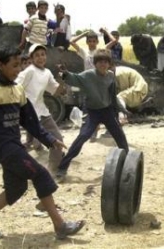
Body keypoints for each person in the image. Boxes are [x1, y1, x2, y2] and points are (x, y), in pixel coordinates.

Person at [0, 46, 85, 239]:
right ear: (0, 65)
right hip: (2, 148)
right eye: (14, 65)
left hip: (14, 145)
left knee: (17, 188)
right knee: (41, 175)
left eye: (19, 65)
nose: (18, 70)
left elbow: (31, 122)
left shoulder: (17, 90)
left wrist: (51, 140)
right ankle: (60, 225)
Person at [55, 49, 129, 182]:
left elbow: (112, 96)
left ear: (109, 64)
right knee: (83, 136)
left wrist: (121, 110)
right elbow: (73, 78)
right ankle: (62, 168)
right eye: (100, 62)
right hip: (92, 112)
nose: (103, 64)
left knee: (120, 136)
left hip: (107, 111)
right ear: (95, 64)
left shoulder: (111, 76)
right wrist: (64, 72)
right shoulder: (88, 75)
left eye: (106, 62)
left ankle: (128, 164)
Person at [15, 44, 65, 173]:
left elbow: (56, 91)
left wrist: (62, 75)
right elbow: (15, 88)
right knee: (39, 142)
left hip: (42, 111)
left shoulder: (47, 72)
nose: (40, 57)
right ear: (31, 58)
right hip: (29, 113)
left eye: (43, 54)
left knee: (57, 139)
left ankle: (52, 170)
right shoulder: (29, 71)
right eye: (37, 55)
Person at [70, 29, 118, 141]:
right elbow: (72, 42)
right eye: (89, 41)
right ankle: (93, 130)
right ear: (87, 42)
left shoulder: (100, 51)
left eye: (93, 41)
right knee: (89, 107)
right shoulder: (84, 52)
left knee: (103, 105)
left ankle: (105, 129)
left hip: (101, 83)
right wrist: (84, 33)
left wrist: (106, 31)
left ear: (97, 42)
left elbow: (114, 41)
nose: (92, 43)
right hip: (88, 83)